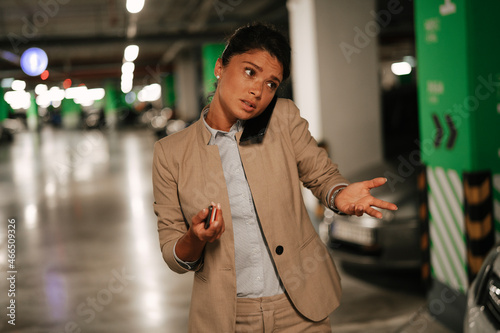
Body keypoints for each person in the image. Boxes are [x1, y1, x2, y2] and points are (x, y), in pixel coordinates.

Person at [152, 22, 398, 332]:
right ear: (220, 66)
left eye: (271, 83)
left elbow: (322, 175)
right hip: (228, 317)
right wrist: (195, 238)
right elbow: (172, 252)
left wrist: (338, 194)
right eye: (250, 72)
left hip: (300, 310)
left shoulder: (283, 118)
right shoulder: (170, 152)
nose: (258, 91)